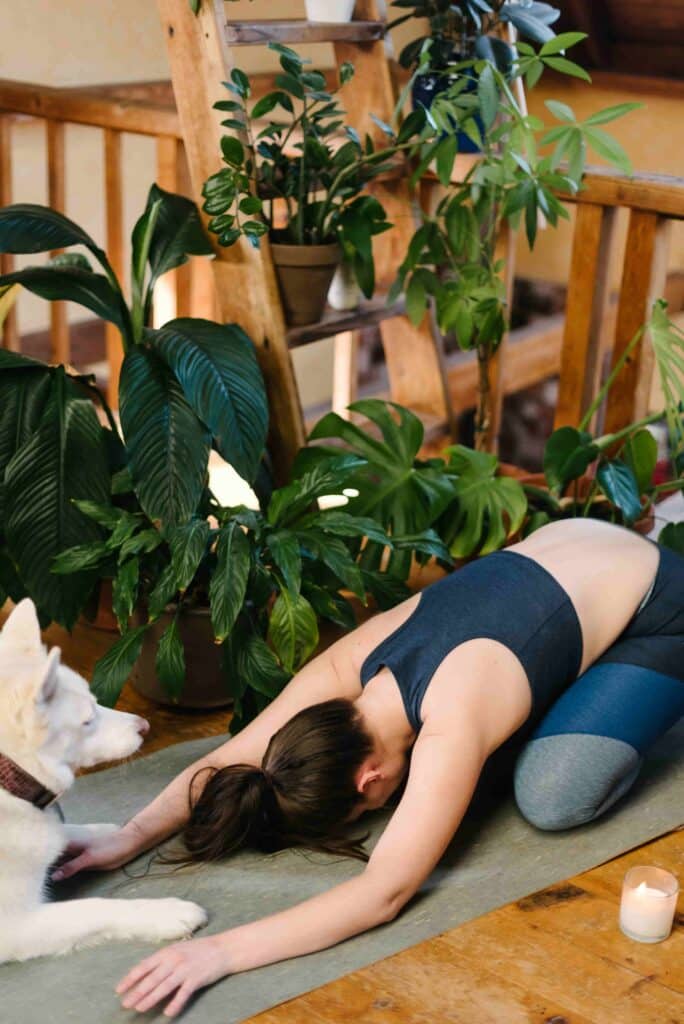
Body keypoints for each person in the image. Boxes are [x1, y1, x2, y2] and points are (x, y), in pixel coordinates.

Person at [53, 519, 684, 1018]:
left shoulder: (454, 716)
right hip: (576, 547)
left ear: (368, 780)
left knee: (550, 794)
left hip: (660, 601)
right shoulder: (347, 668)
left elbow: (383, 892)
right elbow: (231, 754)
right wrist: (129, 836)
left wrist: (217, 952)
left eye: (363, 813)